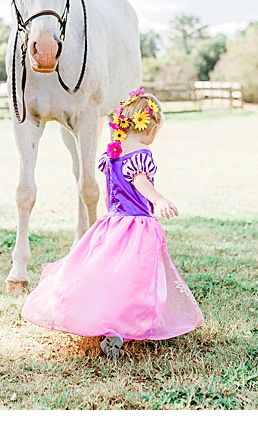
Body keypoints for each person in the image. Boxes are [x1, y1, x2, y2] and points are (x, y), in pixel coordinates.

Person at [21, 90, 204, 358]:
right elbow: (141, 182)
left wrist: (114, 215)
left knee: (107, 273)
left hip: (112, 223)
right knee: (135, 279)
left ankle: (105, 320)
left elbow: (109, 194)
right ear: (150, 129)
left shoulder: (112, 154)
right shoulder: (142, 154)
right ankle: (123, 325)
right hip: (138, 227)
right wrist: (159, 199)